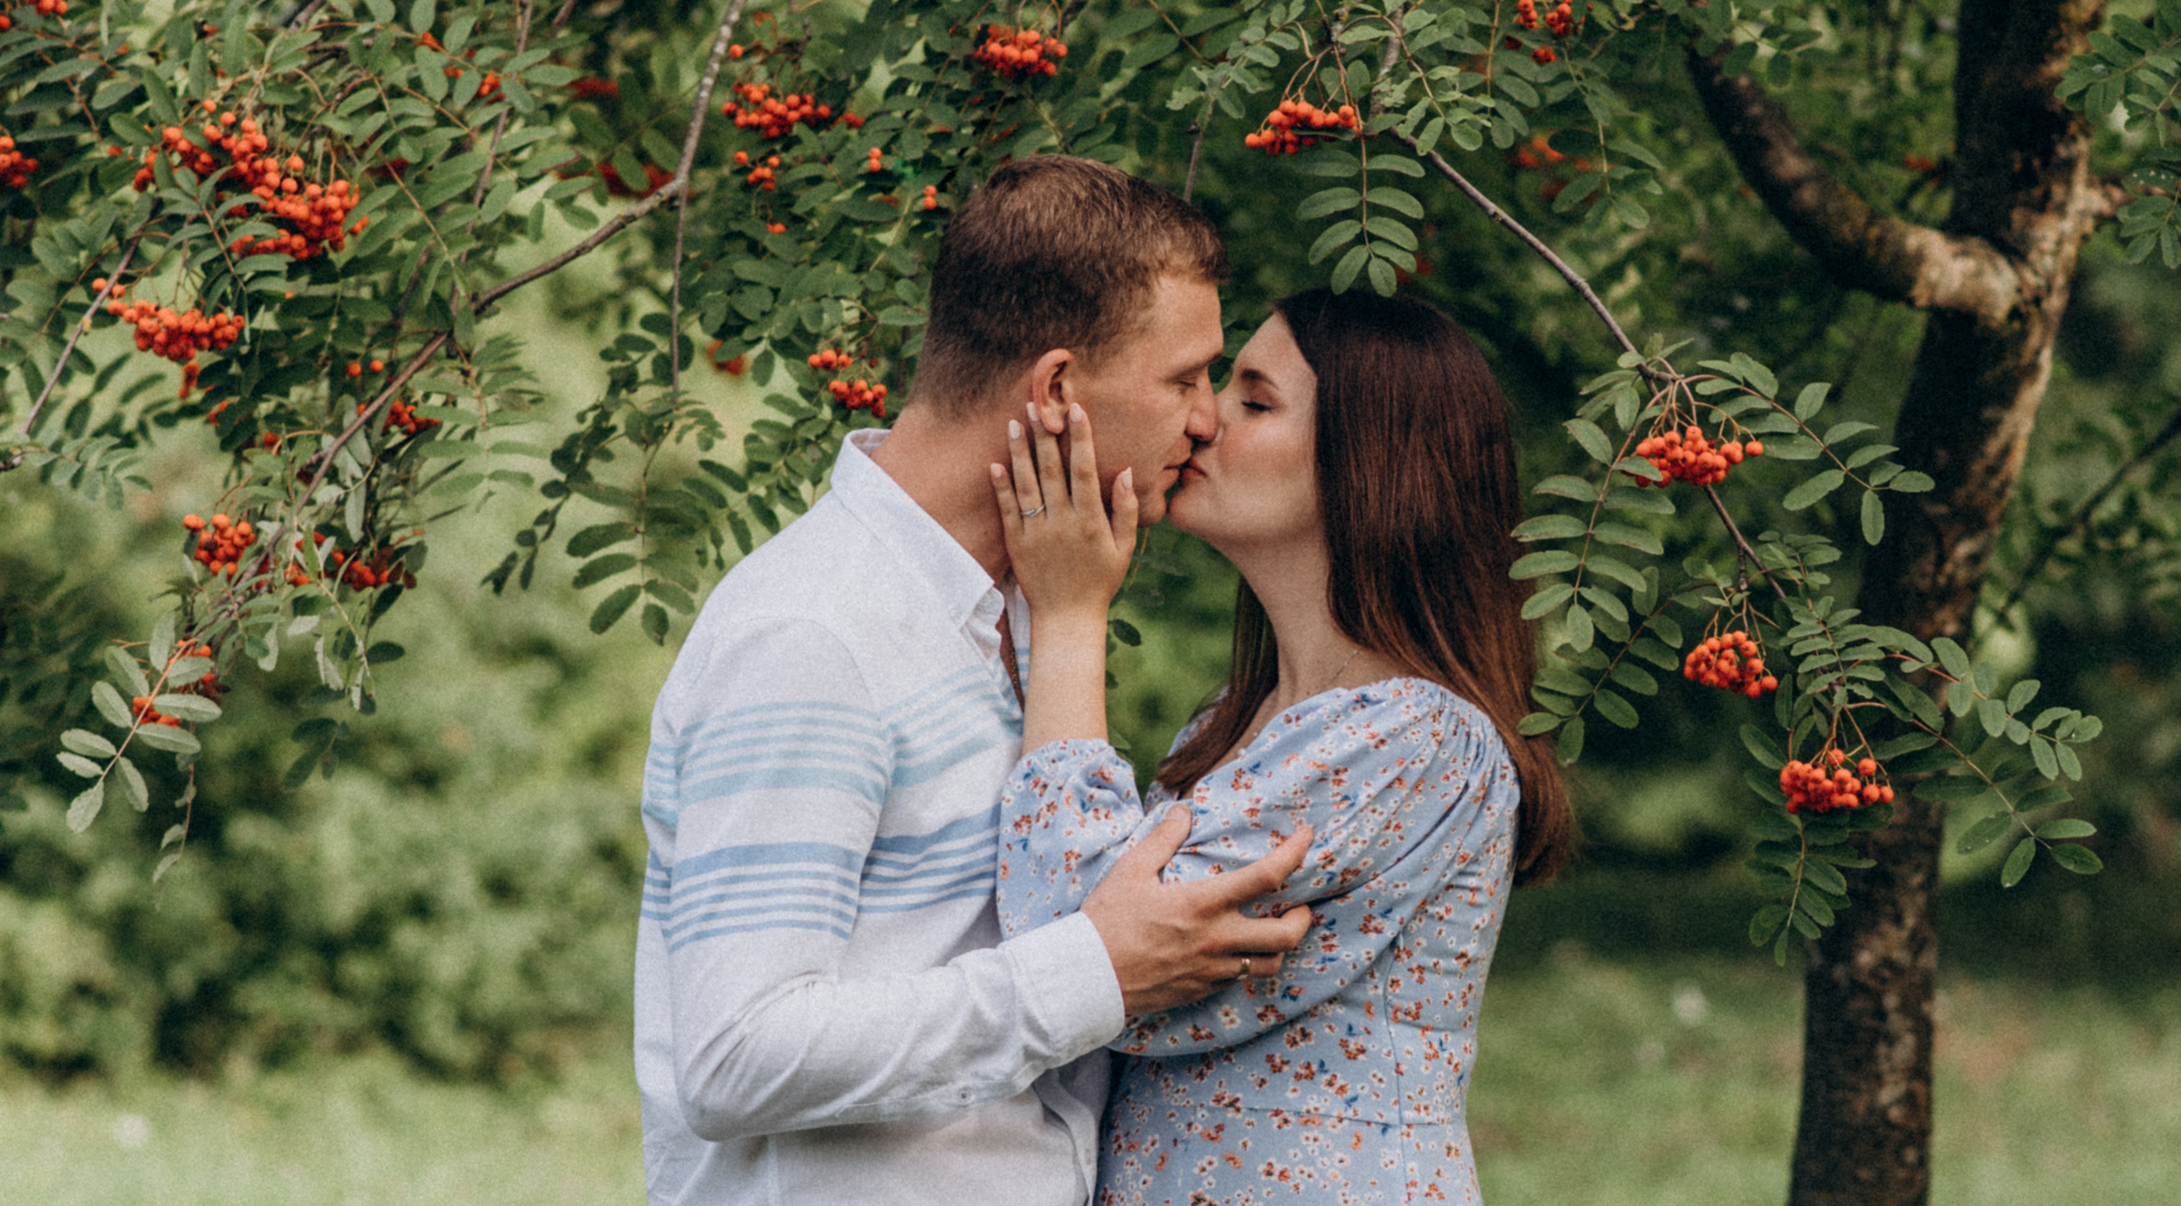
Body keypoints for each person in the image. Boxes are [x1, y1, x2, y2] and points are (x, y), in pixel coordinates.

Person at [635, 156, 1320, 1206]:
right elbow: (736, 1054)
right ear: (1056, 390)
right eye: (1184, 378)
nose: (1206, 420)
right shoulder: (816, 628)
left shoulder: (1019, 616)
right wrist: (1096, 971)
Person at [991, 286, 1573, 1205]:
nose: (1204, 416)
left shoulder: (1414, 738)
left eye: (1255, 400)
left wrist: (1068, 613)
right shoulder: (1234, 722)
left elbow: (1072, 949)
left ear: (1374, 461)